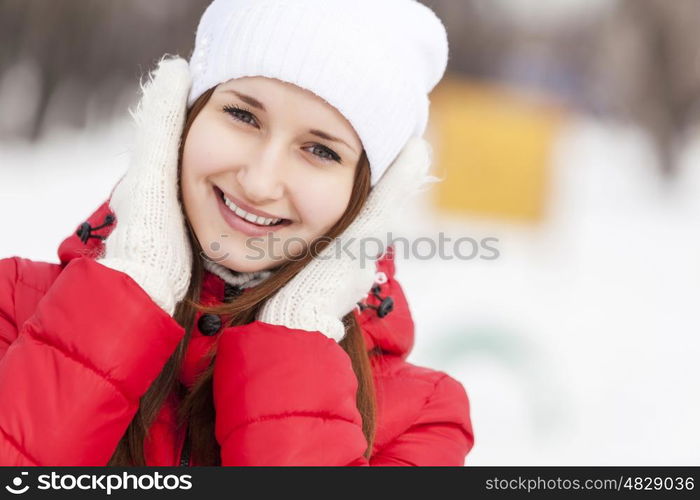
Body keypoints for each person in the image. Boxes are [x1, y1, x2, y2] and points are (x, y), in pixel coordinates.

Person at [0, 0, 474, 466]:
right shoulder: (13, 309)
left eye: (320, 151)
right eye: (243, 117)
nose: (259, 182)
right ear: (181, 119)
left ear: (369, 196)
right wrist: (131, 288)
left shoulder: (423, 418)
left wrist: (296, 334)